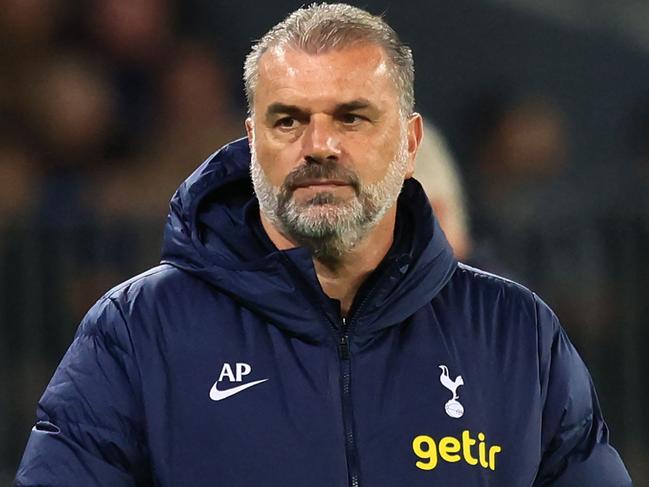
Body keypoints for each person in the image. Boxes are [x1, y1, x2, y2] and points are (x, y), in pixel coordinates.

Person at [15, 4, 631, 486]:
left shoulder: (517, 336)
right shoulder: (138, 331)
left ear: (410, 141)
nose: (319, 145)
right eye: (289, 120)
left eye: (351, 117)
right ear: (252, 139)